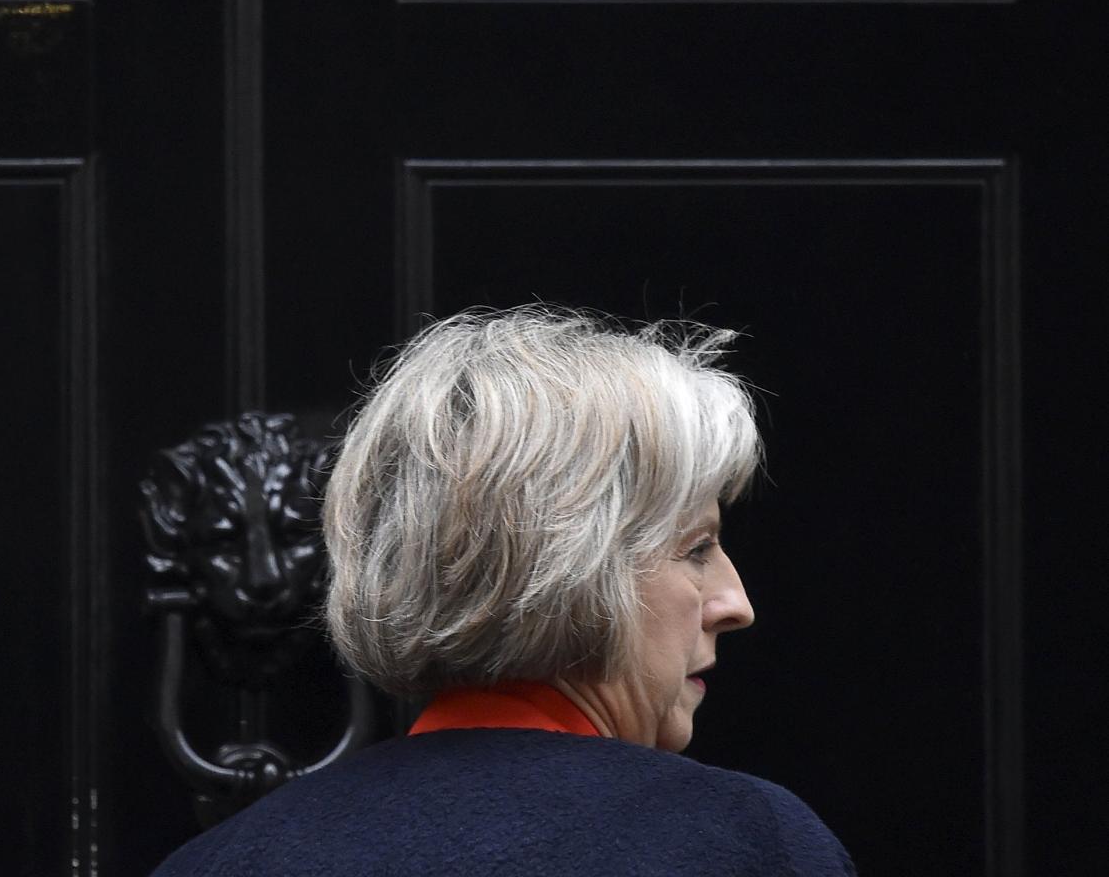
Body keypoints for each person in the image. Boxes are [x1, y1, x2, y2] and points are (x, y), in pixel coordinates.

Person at [152, 305, 855, 875]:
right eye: (697, 548)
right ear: (574, 561)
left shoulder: (216, 862)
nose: (735, 604)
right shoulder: (750, 844)